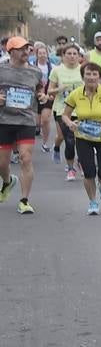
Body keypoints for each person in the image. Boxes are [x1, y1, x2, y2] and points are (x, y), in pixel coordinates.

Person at [62, 60, 101, 215]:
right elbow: (65, 115)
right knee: (88, 172)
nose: (91, 77)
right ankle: (93, 202)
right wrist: (70, 123)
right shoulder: (76, 94)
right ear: (83, 76)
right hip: (83, 137)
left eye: (95, 74)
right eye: (88, 74)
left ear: (99, 77)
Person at [0, 36, 41, 214]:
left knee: (26, 158)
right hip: (4, 120)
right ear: (11, 52)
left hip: (26, 121)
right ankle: (8, 181)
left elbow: (40, 89)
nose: (26, 52)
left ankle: (24, 201)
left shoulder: (35, 72)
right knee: (2, 164)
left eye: (27, 48)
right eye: (21, 49)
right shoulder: (1, 69)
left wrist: (42, 95)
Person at [48, 44, 84, 180]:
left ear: (79, 56)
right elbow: (49, 91)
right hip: (62, 109)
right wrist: (59, 89)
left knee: (81, 139)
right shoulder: (57, 70)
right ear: (63, 56)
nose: (72, 56)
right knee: (67, 139)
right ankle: (70, 168)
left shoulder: (83, 69)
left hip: (81, 109)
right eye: (69, 53)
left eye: (75, 54)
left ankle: (80, 161)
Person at [31, 42, 55, 153]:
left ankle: (45, 143)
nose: (42, 55)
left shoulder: (52, 67)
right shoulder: (32, 66)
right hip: (35, 96)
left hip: (48, 96)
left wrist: (51, 94)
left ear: (47, 54)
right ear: (36, 54)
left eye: (44, 53)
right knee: (37, 122)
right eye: (40, 53)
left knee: (45, 120)